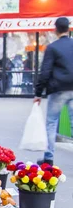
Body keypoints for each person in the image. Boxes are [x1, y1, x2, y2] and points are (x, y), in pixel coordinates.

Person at [34, 17, 73, 166]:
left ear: (55, 29)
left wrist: (38, 93)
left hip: (58, 90)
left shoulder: (53, 47)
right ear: (68, 28)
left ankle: (48, 158)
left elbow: (45, 72)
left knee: (51, 123)